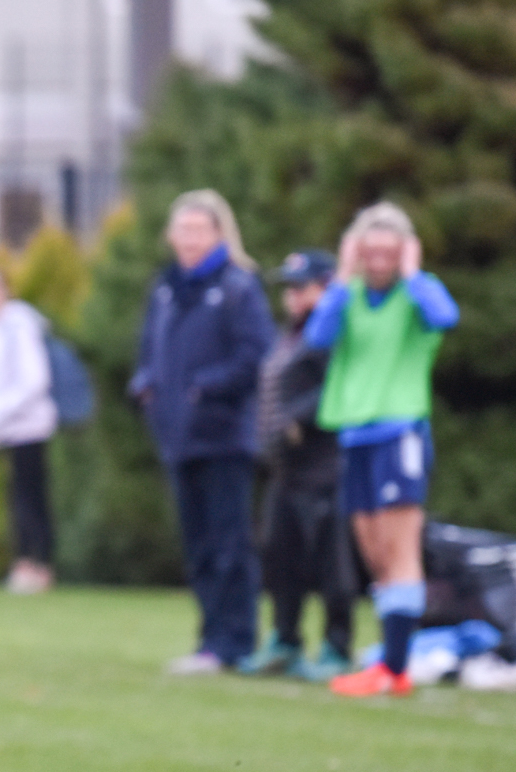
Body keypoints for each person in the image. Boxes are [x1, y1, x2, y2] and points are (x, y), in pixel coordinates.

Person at [307, 203, 460, 697]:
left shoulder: (418, 296)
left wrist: (413, 273)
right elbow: (318, 335)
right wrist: (344, 275)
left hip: (400, 434)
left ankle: (394, 669)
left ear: (403, 252)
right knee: (372, 551)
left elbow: (445, 316)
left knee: (399, 547)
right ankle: (391, 659)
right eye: (368, 250)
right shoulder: (347, 296)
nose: (378, 260)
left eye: (387, 251)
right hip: (355, 436)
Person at [128, 190, 276, 673]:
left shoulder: (237, 287)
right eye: (183, 230)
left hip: (224, 436)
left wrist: (205, 389)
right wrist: (147, 386)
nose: (190, 239)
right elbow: (151, 351)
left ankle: (235, 641)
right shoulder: (166, 290)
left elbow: (256, 355)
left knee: (229, 544)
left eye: (199, 230)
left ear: (219, 234)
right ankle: (211, 637)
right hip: (178, 438)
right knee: (198, 547)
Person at [240, 250, 356, 681]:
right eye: (288, 287)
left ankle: (337, 645)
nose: (292, 296)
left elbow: (339, 384)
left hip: (322, 465)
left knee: (331, 560)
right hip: (285, 469)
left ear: (327, 287)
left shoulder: (330, 334)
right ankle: (285, 639)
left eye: (301, 287)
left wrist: (296, 421)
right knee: (280, 554)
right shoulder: (288, 335)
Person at [0, 267, 58, 594]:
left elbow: (34, 380)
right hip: (11, 426)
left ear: (3, 289)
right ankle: (26, 562)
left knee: (30, 497)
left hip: (29, 425)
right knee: (20, 495)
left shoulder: (18, 324)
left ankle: (36, 565)